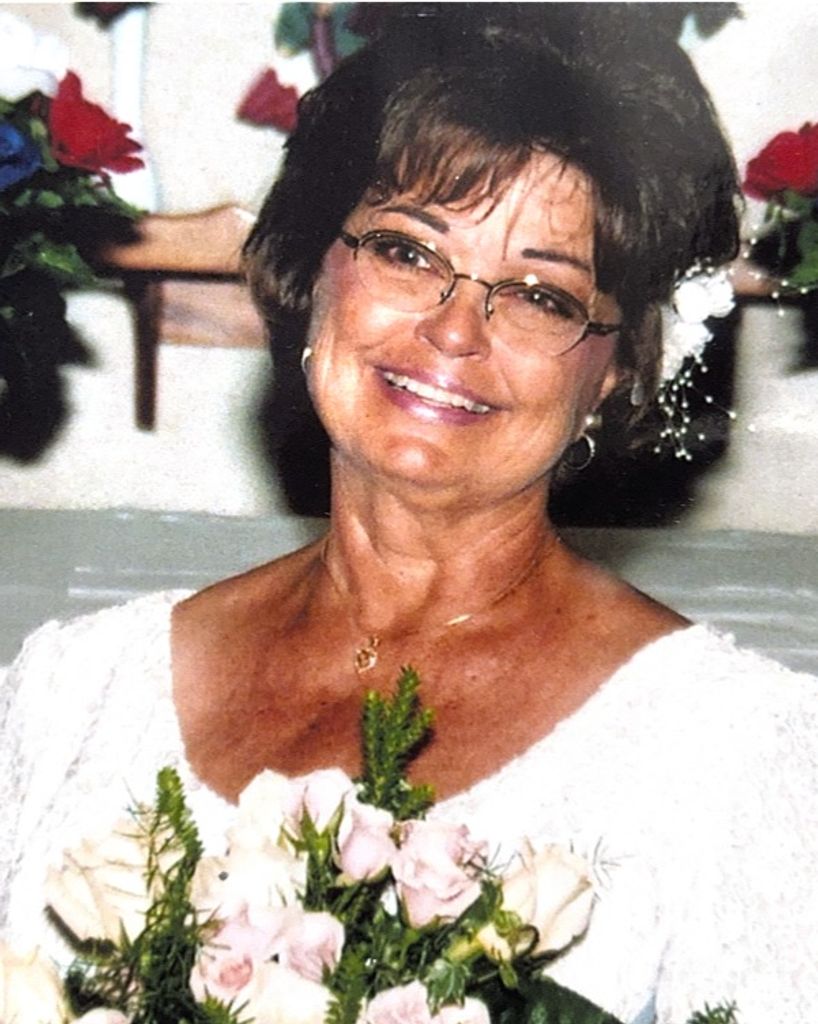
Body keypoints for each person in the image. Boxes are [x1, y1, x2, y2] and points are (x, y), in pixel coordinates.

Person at [2, 6, 817, 1022]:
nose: (455, 329)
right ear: (313, 269)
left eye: (542, 296)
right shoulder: (74, 693)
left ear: (616, 369)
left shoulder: (733, 754)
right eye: (406, 251)